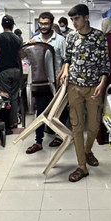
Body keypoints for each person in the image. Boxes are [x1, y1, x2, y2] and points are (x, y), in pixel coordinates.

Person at [58, 4, 110, 182]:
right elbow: (68, 58)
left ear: (86, 17)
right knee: (77, 127)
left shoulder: (99, 36)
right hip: (74, 87)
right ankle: (82, 166)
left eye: (76, 19)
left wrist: (102, 84)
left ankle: (88, 151)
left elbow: (105, 64)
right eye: (71, 19)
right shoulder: (71, 37)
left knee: (94, 126)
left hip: (94, 87)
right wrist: (65, 69)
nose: (73, 23)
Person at [25, 11, 67, 154]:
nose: (43, 26)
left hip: (57, 82)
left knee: (59, 111)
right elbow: (26, 58)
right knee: (40, 111)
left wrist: (61, 76)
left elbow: (66, 61)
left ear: (51, 24)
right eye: (41, 23)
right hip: (40, 81)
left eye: (46, 23)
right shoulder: (35, 39)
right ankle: (38, 141)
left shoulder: (60, 40)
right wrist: (29, 48)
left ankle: (59, 136)